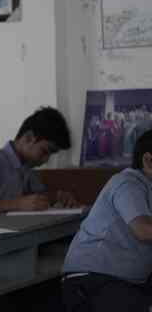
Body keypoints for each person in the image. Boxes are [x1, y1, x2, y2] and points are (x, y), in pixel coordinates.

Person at [62, 129, 152, 311]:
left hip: (127, 282)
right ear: (149, 161)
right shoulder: (128, 183)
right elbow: (143, 230)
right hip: (93, 279)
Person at [0, 106, 76, 219]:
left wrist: (58, 197)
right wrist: (16, 204)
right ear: (28, 138)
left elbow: (37, 198)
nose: (46, 160)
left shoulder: (27, 168)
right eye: (45, 151)